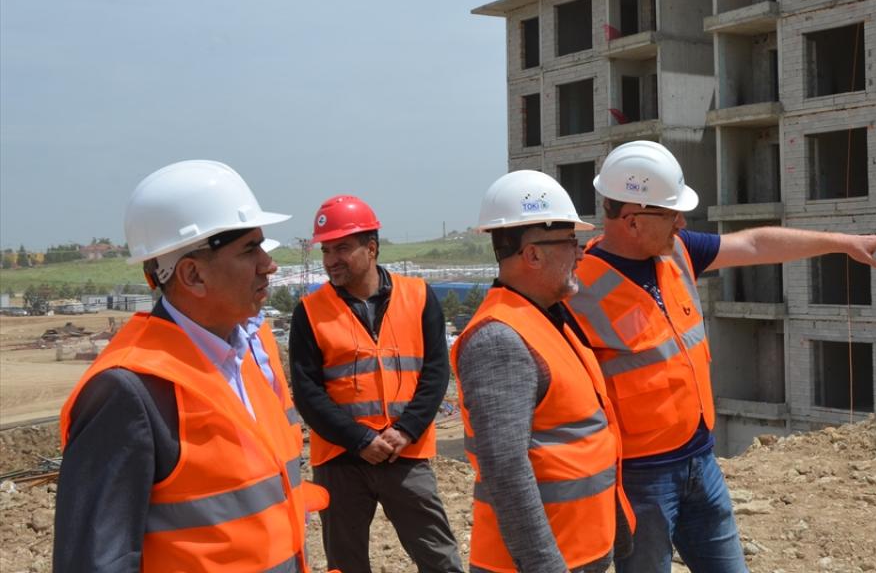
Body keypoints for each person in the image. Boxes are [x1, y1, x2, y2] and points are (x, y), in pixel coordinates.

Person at [566, 140, 876, 573]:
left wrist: (841, 243)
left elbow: (754, 244)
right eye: (672, 214)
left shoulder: (677, 253)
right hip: (640, 479)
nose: (681, 223)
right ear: (633, 220)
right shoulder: (578, 289)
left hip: (700, 461)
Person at [55, 159, 325, 572]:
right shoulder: (129, 391)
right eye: (249, 249)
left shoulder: (241, 358)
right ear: (193, 275)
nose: (269, 264)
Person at [451, 170, 634, 573]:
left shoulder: (549, 318)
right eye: (570, 243)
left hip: (579, 549)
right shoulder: (499, 339)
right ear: (532, 255)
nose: (580, 255)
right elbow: (506, 471)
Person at [289, 195, 462, 573]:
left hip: (405, 453)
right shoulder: (309, 313)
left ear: (371, 248)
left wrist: (405, 431)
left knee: (440, 560)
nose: (331, 259)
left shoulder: (419, 297)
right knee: (346, 563)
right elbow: (307, 392)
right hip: (340, 460)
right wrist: (360, 440)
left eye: (342, 248)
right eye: (325, 250)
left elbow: (435, 372)